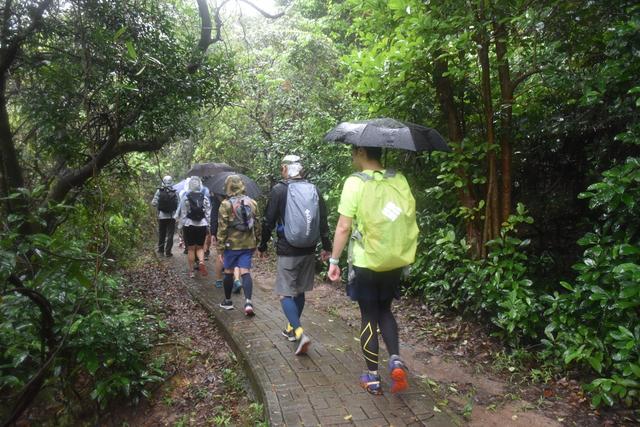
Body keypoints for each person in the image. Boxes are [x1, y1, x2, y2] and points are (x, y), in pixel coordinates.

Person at [327, 146, 418, 395]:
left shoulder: (355, 183)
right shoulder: (398, 179)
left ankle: (372, 376)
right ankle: (396, 359)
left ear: (361, 151)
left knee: (369, 315)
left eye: (353, 153)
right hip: (393, 259)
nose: (352, 157)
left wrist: (333, 261)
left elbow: (344, 226)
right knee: (385, 310)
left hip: (366, 262)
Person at [258, 155, 331, 356]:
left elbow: (268, 221)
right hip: (308, 248)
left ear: (284, 169)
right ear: (302, 170)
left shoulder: (279, 189)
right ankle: (291, 329)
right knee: (299, 292)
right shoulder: (314, 189)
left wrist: (262, 245)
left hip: (288, 249)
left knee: (285, 293)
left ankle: (299, 333)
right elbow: (323, 221)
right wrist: (327, 247)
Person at [217, 175, 261, 315]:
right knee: (245, 272)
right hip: (248, 244)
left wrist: (220, 248)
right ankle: (248, 302)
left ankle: (228, 301)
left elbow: (222, 228)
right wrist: (257, 242)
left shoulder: (225, 204)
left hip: (231, 245)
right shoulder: (252, 202)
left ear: (228, 186)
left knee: (229, 271)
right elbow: (258, 224)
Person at [177, 176, 211, 278]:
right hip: (202, 224)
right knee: (200, 247)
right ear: (200, 185)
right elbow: (208, 213)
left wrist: (180, 227)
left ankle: (191, 271)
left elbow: (183, 214)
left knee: (191, 249)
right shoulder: (205, 197)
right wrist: (209, 226)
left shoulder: (185, 197)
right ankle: (201, 262)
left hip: (189, 225)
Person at [211, 193, 242, 290]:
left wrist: (213, 232)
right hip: (237, 231)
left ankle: (219, 280)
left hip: (222, 231)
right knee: (236, 256)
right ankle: (236, 280)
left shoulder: (218, 200)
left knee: (220, 255)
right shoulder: (239, 198)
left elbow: (214, 217)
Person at [151, 175, 178, 257]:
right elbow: (178, 204)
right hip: (171, 217)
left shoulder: (159, 191)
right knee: (170, 235)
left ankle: (160, 251)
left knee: (162, 234)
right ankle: (168, 252)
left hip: (162, 216)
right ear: (171, 181)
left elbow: (153, 203)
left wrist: (159, 204)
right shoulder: (175, 191)